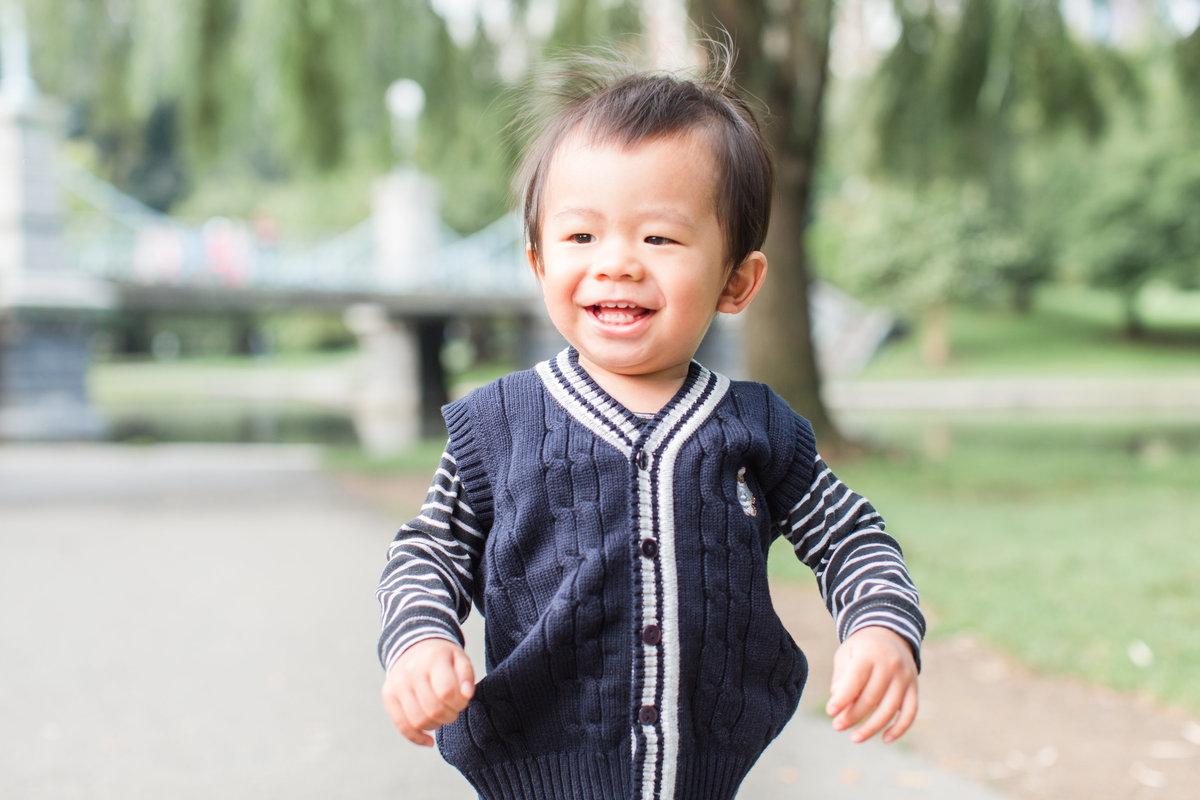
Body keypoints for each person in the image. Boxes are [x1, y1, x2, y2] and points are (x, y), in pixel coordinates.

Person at [376, 51, 925, 800]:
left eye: (659, 239)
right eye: (581, 238)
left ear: (737, 281)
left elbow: (853, 537)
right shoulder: (498, 425)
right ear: (538, 264)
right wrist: (420, 640)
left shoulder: (758, 429)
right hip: (536, 778)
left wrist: (880, 625)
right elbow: (428, 551)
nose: (618, 264)